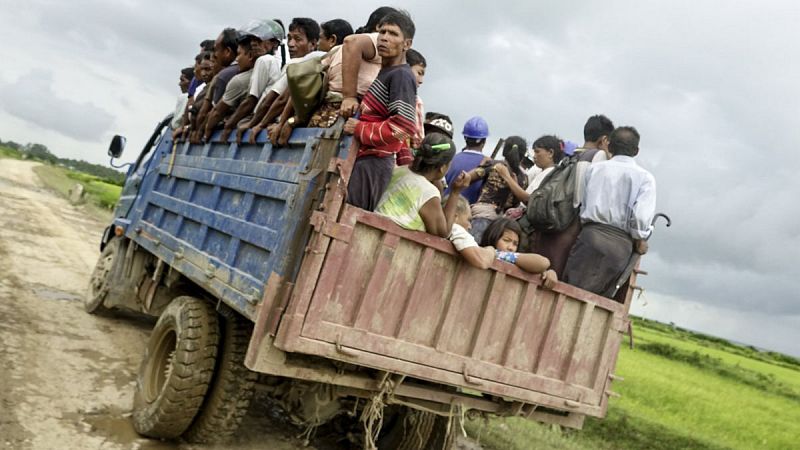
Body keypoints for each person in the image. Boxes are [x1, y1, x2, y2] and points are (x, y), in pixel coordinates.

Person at [563, 126, 656, 297]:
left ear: (610, 147)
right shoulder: (645, 178)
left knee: (570, 290)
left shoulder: (594, 170)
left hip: (589, 237)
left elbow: (581, 203)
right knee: (598, 299)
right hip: (620, 246)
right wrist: (640, 238)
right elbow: (641, 218)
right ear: (636, 151)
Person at [344, 11, 418, 211]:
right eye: (382, 32)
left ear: (407, 44)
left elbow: (403, 128)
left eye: (393, 33)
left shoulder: (402, 76)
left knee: (348, 214)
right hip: (365, 160)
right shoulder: (387, 72)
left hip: (373, 164)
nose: (384, 37)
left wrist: (360, 128)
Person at [375, 133, 469, 238]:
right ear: (442, 167)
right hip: (390, 240)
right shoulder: (428, 193)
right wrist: (455, 192)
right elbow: (443, 233)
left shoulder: (399, 171)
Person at [222, 19, 285, 142]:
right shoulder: (277, 61)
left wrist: (229, 126)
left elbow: (251, 100)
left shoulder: (265, 60)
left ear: (274, 43)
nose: (254, 44)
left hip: (258, 117)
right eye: (252, 40)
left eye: (259, 40)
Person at [467, 136, 528, 242]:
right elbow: (516, 203)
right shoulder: (523, 178)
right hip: (501, 227)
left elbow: (467, 178)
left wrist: (482, 165)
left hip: (482, 216)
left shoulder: (494, 165)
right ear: (522, 156)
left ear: (504, 151)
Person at [203, 35, 260, 141]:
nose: (237, 59)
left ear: (250, 55)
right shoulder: (271, 69)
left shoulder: (238, 80)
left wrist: (206, 131)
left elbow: (217, 112)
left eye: (239, 54)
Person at [479, 218, 557, 281]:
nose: (511, 247)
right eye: (506, 240)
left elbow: (543, 263)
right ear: (493, 237)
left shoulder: (514, 261)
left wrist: (547, 272)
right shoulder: (482, 252)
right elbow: (543, 263)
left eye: (515, 244)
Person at [444, 116, 490, 204]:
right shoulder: (488, 165)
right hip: (469, 214)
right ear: (484, 141)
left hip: (445, 208)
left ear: (465, 138)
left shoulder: (450, 159)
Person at [406, 48, 426, 147]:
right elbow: (417, 140)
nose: (421, 80)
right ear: (406, 68)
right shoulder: (416, 101)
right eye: (419, 73)